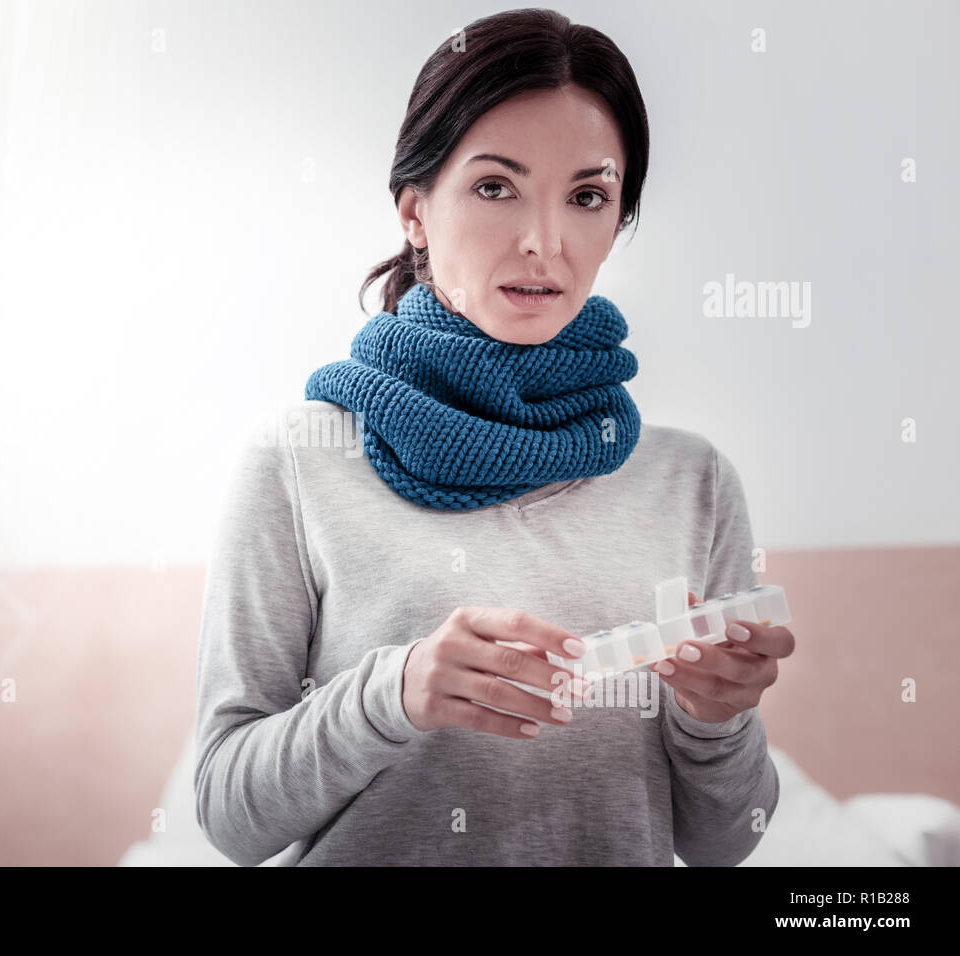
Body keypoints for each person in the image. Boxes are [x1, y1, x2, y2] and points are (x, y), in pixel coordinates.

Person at [194, 7, 794, 866]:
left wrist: (714, 718)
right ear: (414, 210)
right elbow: (227, 816)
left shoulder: (692, 482)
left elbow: (723, 846)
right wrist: (391, 696)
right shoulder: (298, 463)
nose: (543, 243)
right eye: (494, 186)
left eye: (588, 197)